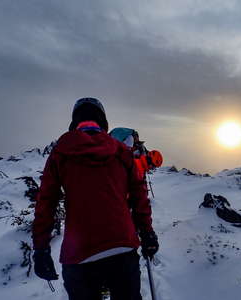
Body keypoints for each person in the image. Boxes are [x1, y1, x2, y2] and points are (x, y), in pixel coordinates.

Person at [32, 97, 159, 300]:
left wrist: (41, 248)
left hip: (80, 255)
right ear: (103, 122)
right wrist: (147, 233)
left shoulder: (60, 153)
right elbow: (139, 195)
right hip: (122, 248)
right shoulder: (121, 152)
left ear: (75, 122)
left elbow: (46, 203)